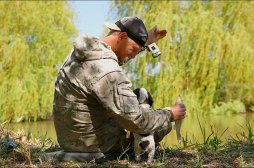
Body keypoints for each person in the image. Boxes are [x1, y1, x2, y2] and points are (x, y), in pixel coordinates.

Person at [52, 16, 186, 160]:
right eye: (134, 49)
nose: (134, 56)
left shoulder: (83, 53)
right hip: (93, 144)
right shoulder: (107, 70)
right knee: (160, 125)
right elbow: (137, 120)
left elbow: (111, 62)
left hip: (69, 139)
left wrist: (145, 42)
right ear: (122, 36)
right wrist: (170, 114)